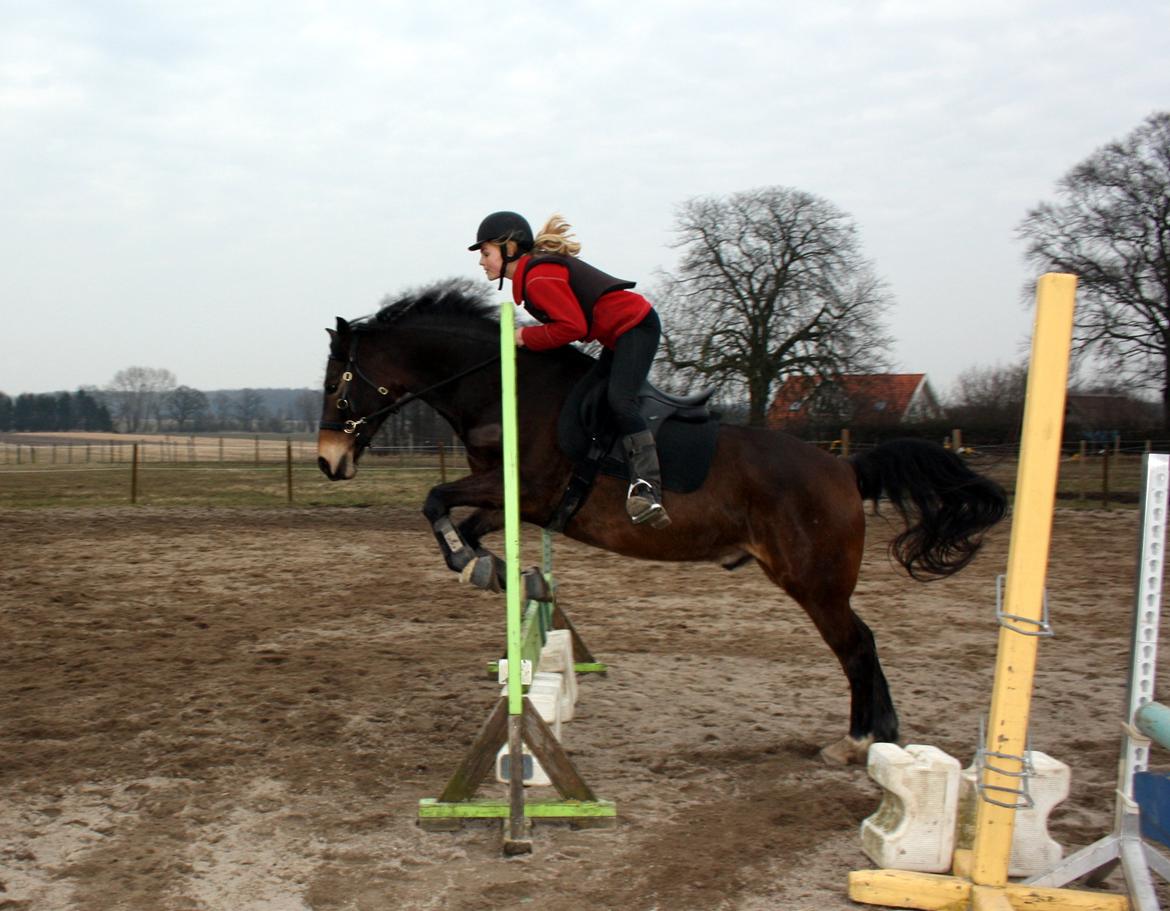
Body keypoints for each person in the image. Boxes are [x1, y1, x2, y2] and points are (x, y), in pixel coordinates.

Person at [469, 210, 671, 529]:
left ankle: (648, 488)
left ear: (509, 249)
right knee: (588, 398)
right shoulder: (534, 277)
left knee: (620, 401)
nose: (481, 261)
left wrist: (523, 337)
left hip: (636, 327)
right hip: (617, 336)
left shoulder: (537, 277)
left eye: (485, 252)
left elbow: (572, 327)